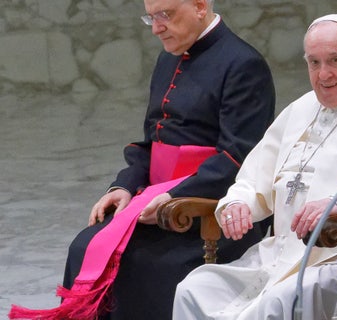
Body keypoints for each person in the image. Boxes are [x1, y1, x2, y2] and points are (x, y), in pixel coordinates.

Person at [9, 0, 275, 319]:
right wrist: (123, 186)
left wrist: (172, 198)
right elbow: (152, 143)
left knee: (143, 264)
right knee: (84, 246)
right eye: (151, 18)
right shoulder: (168, 58)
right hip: (155, 201)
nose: (157, 27)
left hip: (207, 211)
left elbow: (237, 158)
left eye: (166, 15)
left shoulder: (243, 64)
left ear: (200, 6)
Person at [172, 14, 337, 320]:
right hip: (281, 256)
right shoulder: (300, 109)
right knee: (194, 288)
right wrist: (238, 202)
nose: (324, 75)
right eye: (314, 62)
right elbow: (256, 177)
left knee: (280, 303)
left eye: (334, 60)